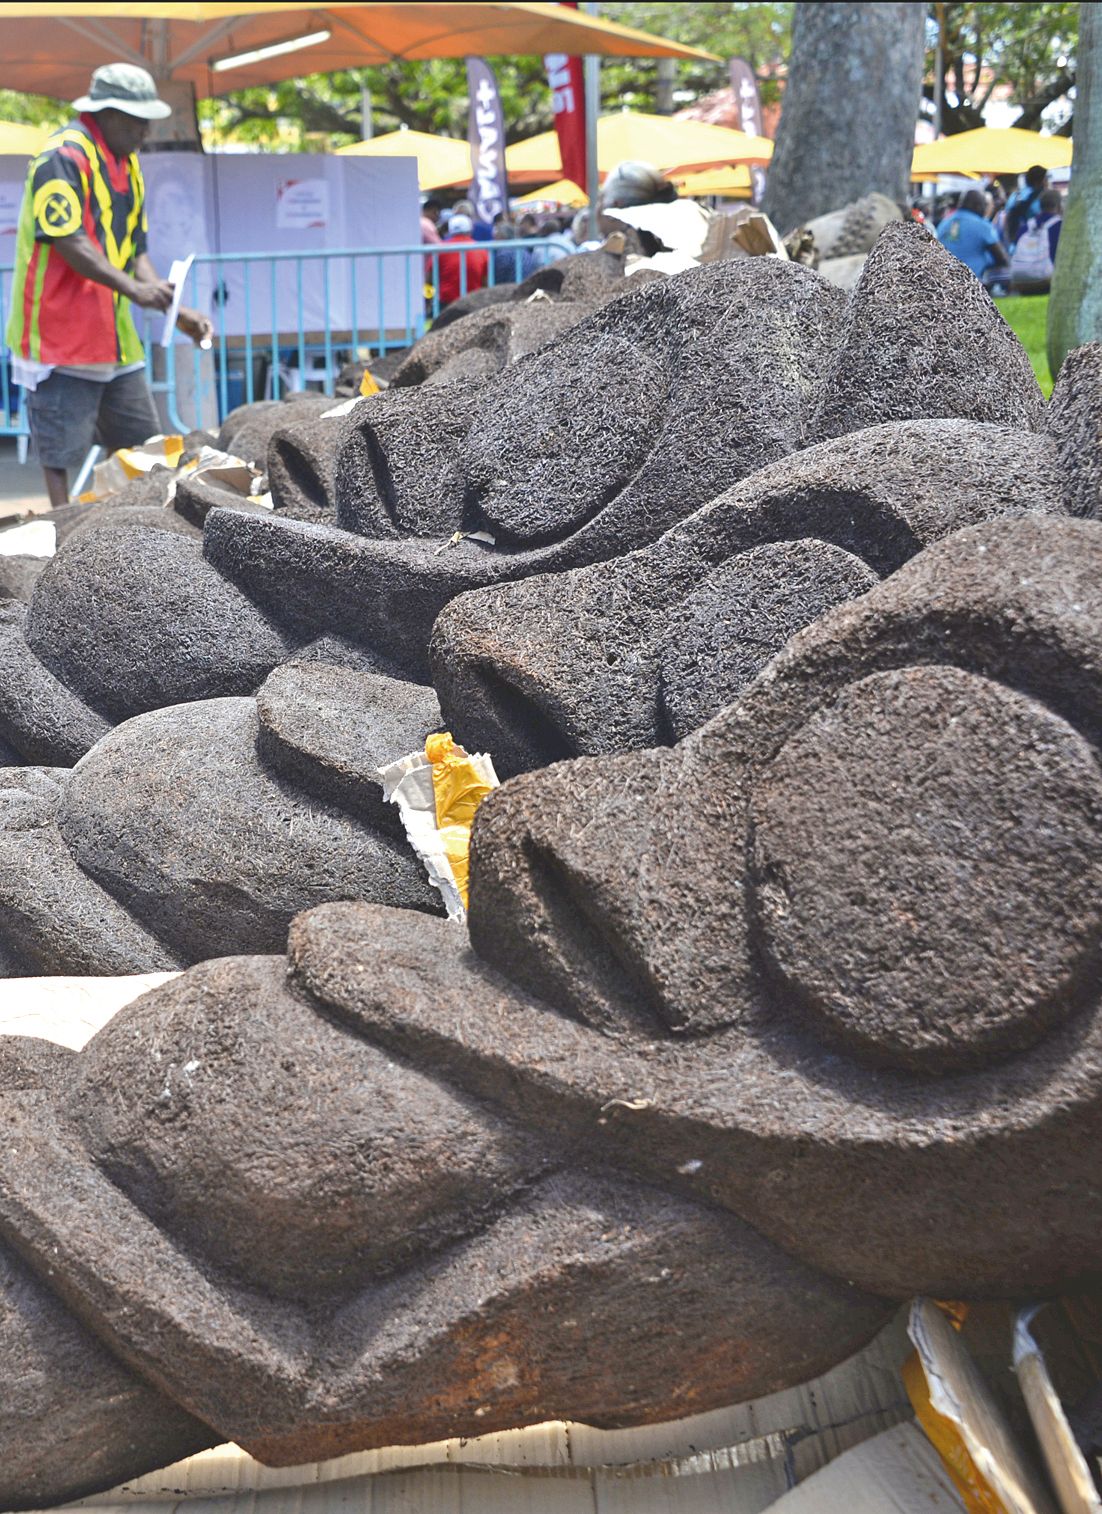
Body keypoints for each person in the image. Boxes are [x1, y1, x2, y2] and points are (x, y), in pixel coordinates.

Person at [6, 63, 213, 507]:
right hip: (60, 340)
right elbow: (68, 241)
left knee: (143, 446)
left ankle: (137, 527)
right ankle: (61, 536)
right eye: (137, 121)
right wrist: (136, 291)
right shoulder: (62, 157)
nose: (144, 131)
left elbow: (136, 249)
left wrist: (169, 306)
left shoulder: (128, 165)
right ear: (106, 114)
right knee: (61, 454)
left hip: (114, 341)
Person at [936, 189, 1009, 284]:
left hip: (943, 280)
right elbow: (1001, 258)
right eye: (984, 205)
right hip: (972, 281)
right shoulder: (982, 225)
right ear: (977, 206)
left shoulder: (944, 223)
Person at [1009, 188, 1063, 295]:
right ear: (1059, 206)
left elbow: (1013, 250)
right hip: (1047, 280)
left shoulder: (1026, 227)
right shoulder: (1061, 226)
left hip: (1022, 279)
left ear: (1040, 206)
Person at [436, 213, 488, 306]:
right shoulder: (481, 249)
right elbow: (486, 280)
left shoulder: (440, 249)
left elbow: (430, 277)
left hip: (446, 303)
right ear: (470, 230)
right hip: (474, 301)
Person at [1003, 164, 1049, 250]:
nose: (1047, 182)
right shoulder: (1043, 197)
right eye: (1046, 179)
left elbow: (1006, 219)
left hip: (1016, 245)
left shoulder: (1015, 195)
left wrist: (1010, 241)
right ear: (1041, 181)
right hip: (1036, 245)